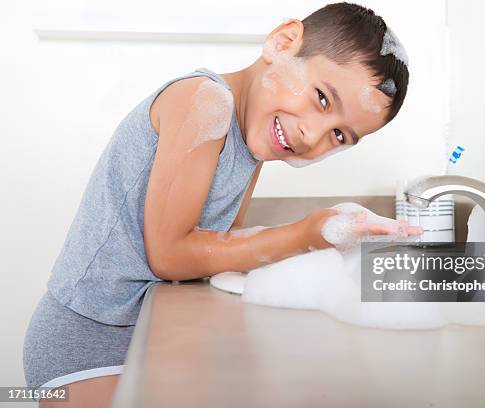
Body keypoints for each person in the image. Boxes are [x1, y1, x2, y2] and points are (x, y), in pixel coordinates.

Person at [23, 3, 421, 406]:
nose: (311, 134)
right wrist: (309, 234)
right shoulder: (206, 101)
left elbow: (215, 248)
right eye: (321, 98)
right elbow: (170, 254)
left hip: (140, 333)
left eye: (339, 135)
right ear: (282, 43)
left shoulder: (252, 143)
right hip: (86, 341)